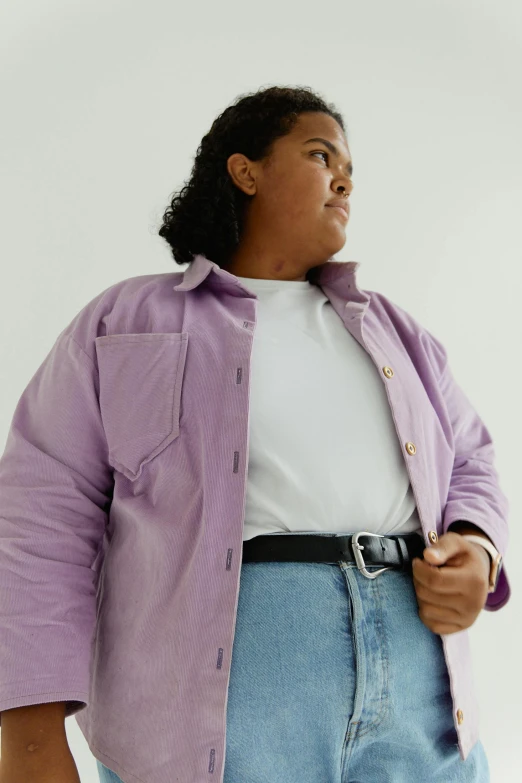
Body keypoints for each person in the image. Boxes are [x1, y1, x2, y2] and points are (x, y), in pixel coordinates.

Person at [0, 86, 509, 783]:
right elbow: (40, 515)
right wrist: (28, 734)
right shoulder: (127, 323)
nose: (346, 179)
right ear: (246, 171)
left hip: (422, 688)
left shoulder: (399, 331)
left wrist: (478, 546)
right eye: (320, 153)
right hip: (227, 699)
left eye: (351, 167)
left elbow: (472, 456)